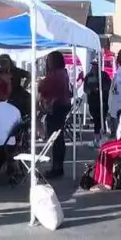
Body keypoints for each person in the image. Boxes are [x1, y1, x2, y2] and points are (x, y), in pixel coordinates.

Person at [38, 51, 72, 179]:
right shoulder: (63, 72)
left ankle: (57, 167)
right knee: (58, 138)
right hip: (62, 105)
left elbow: (44, 87)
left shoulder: (56, 74)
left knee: (55, 138)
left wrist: (41, 83)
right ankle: (57, 166)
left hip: (57, 107)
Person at [85, 59, 112, 145]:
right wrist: (91, 91)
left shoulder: (104, 75)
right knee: (96, 119)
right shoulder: (88, 76)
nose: (94, 66)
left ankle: (99, 138)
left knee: (101, 119)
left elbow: (108, 85)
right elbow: (85, 88)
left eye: (95, 65)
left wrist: (101, 90)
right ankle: (98, 137)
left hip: (103, 101)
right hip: (93, 101)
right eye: (93, 64)